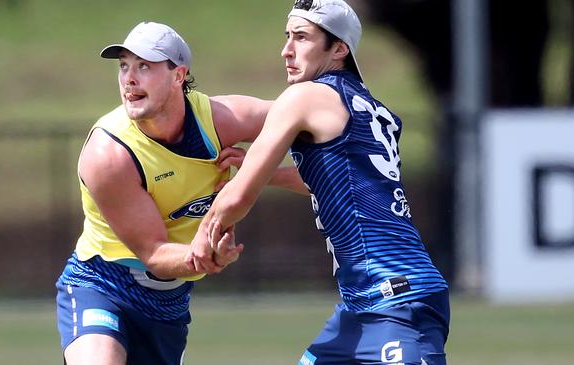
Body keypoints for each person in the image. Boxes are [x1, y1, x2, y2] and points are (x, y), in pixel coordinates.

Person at [190, 1, 451, 364]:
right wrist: (273, 174)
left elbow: (238, 197)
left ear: (339, 49)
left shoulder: (305, 96)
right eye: (287, 37)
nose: (286, 50)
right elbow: (343, 186)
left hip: (396, 302)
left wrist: (203, 239)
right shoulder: (370, 108)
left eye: (301, 37)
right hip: (359, 308)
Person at [55, 21, 301, 365]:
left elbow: (312, 119)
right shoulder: (109, 153)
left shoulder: (220, 121)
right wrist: (202, 256)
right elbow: (153, 252)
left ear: (178, 75)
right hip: (102, 282)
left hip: (169, 301)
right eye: (124, 66)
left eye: (144, 66)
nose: (129, 78)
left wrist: (270, 173)